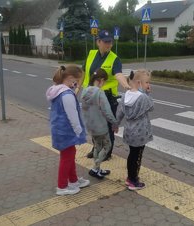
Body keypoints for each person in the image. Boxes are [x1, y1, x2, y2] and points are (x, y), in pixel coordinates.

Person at [82, 29, 131, 161]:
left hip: (108, 98)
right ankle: (96, 148)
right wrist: (76, 91)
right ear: (98, 42)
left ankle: (107, 152)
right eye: (106, 42)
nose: (109, 45)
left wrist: (126, 85)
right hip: (92, 97)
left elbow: (118, 74)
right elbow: (83, 72)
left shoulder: (114, 58)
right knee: (95, 124)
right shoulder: (91, 54)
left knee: (108, 127)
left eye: (110, 42)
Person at [46, 65, 90, 196]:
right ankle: (62, 186)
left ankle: (73, 181)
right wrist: (79, 131)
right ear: (70, 78)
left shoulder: (58, 90)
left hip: (60, 130)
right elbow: (73, 116)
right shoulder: (67, 94)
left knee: (69, 155)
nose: (78, 84)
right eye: (77, 80)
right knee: (67, 158)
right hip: (67, 131)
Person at [116, 69, 154, 190]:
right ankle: (133, 181)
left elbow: (120, 112)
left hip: (129, 130)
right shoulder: (142, 97)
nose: (149, 85)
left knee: (132, 155)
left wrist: (115, 124)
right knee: (137, 157)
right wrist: (147, 93)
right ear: (139, 82)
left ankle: (130, 178)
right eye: (147, 82)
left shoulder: (125, 95)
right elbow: (151, 107)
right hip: (140, 133)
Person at [81, 68, 118, 179]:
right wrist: (114, 123)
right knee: (107, 146)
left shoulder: (84, 91)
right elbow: (107, 111)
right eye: (104, 81)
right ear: (100, 80)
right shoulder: (99, 93)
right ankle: (95, 166)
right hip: (100, 126)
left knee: (97, 146)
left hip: (90, 126)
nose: (104, 84)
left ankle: (96, 170)